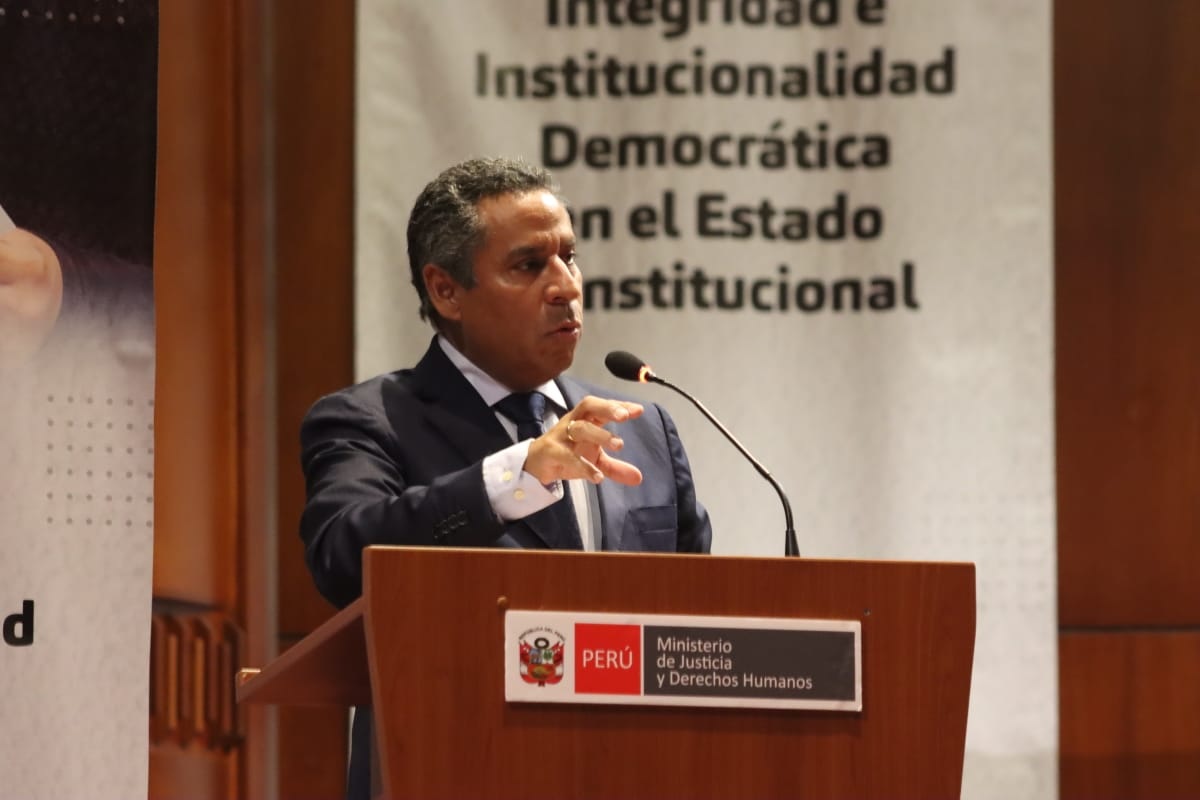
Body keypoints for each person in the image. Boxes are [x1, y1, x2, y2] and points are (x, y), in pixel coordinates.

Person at [298, 157, 712, 798]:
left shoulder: (644, 428)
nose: (565, 286)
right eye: (529, 265)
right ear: (446, 290)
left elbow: (700, 615)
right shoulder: (369, 420)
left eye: (569, 257)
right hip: (452, 769)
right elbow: (344, 559)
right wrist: (516, 475)